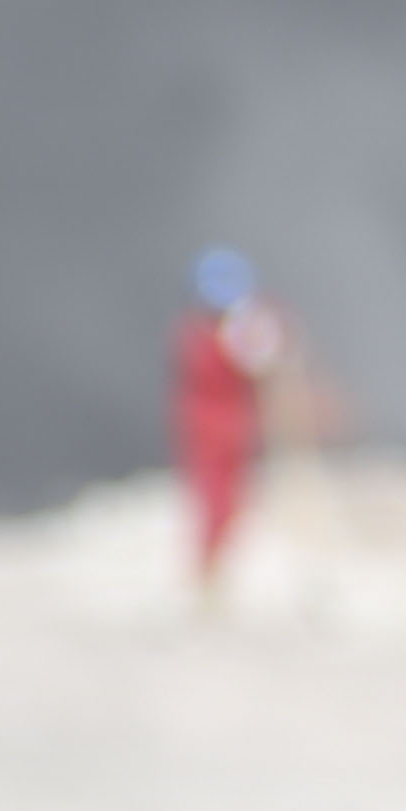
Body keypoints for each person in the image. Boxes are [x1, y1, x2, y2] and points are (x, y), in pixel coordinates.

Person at [171, 247, 287, 606]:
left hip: (231, 427)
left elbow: (263, 362)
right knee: (216, 503)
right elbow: (255, 361)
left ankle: (214, 579)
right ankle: (207, 583)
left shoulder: (220, 330)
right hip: (212, 428)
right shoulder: (201, 337)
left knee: (232, 504)